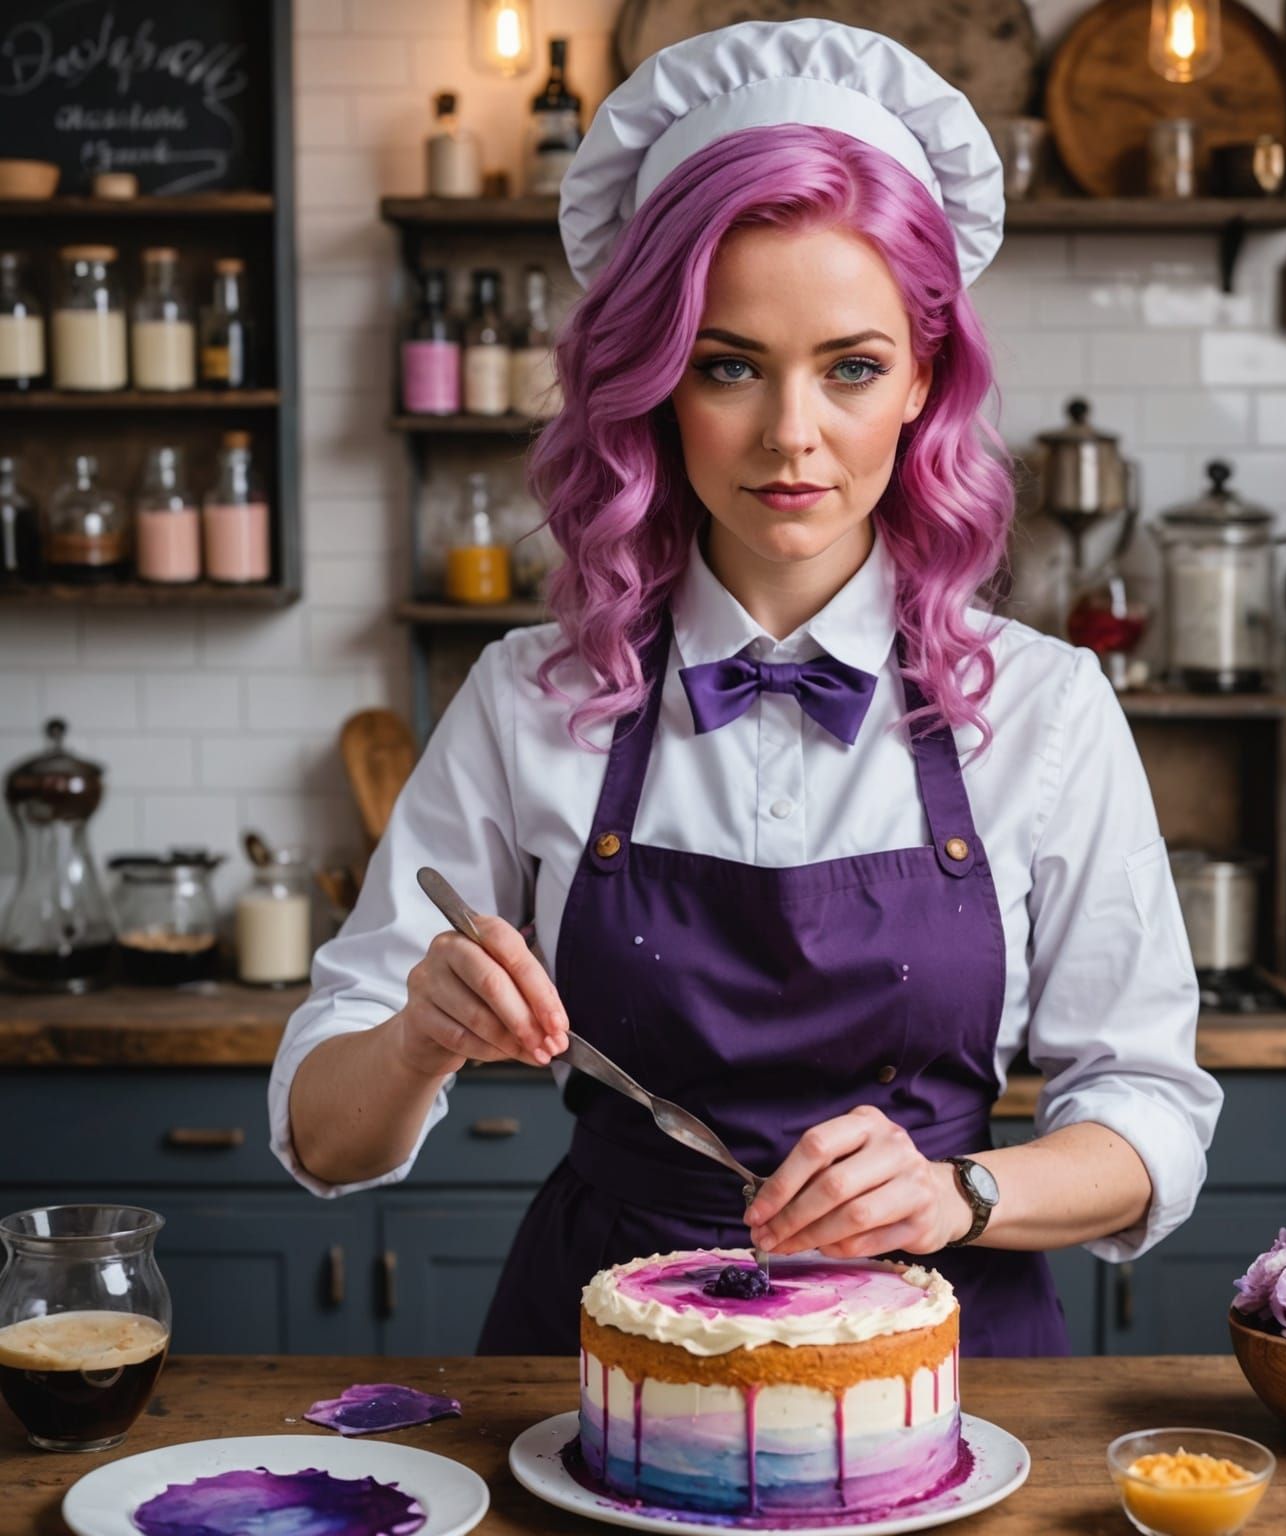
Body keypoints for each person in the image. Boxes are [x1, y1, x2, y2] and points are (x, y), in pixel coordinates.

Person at [269, 18, 1222, 1357]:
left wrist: (963, 1191)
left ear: (923, 382)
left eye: (852, 367)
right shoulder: (525, 700)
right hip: (599, 1369)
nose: (792, 436)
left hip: (943, 1367)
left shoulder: (1048, 708)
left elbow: (1152, 1119)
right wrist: (418, 1036)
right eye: (729, 367)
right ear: (655, 385)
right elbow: (324, 1133)